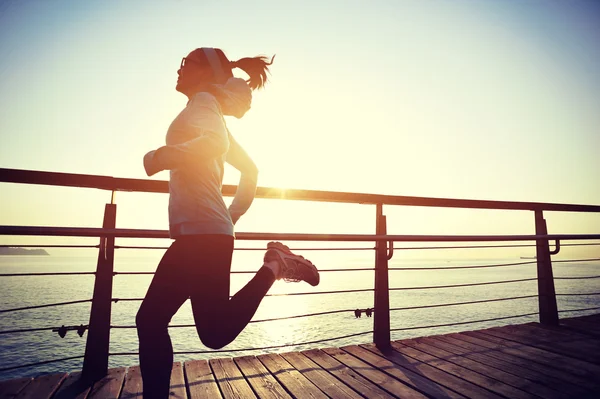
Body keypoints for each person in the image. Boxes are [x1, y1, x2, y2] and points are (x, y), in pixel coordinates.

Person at [137, 47, 320, 399]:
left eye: (186, 63)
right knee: (151, 321)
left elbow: (213, 145)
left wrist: (159, 157)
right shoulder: (210, 110)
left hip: (204, 236)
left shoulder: (203, 103)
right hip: (204, 232)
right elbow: (250, 169)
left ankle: (274, 266)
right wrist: (230, 217)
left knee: (210, 332)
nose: (178, 69)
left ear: (205, 72)